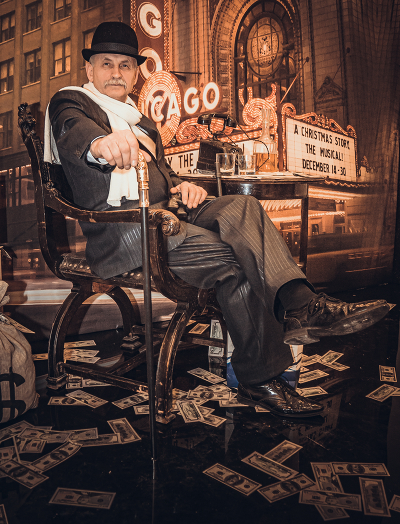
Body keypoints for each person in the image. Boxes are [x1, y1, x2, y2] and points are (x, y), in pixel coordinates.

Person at [45, 22, 391, 419]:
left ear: (136, 73)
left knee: (243, 206)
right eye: (107, 63)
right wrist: (101, 143)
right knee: (236, 263)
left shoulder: (142, 122)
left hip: (171, 213)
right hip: (126, 230)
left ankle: (302, 305)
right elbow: (75, 133)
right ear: (90, 69)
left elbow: (163, 177)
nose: (117, 73)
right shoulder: (72, 102)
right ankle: (260, 377)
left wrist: (183, 186)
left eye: (125, 65)